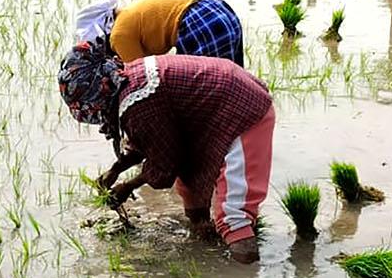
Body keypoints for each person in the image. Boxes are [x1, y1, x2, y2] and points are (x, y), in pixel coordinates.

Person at [58, 43, 274, 263]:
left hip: (242, 110)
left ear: (95, 95)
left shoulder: (139, 99)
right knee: (191, 190)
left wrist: (128, 186)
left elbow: (166, 164)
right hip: (216, 106)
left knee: (233, 214)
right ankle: (205, 249)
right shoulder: (127, 81)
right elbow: (152, 140)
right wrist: (116, 170)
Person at [72, 0, 245, 66]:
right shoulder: (131, 14)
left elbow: (141, 77)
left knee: (206, 92)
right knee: (235, 83)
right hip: (219, 10)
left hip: (200, 22)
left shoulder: (119, 35)